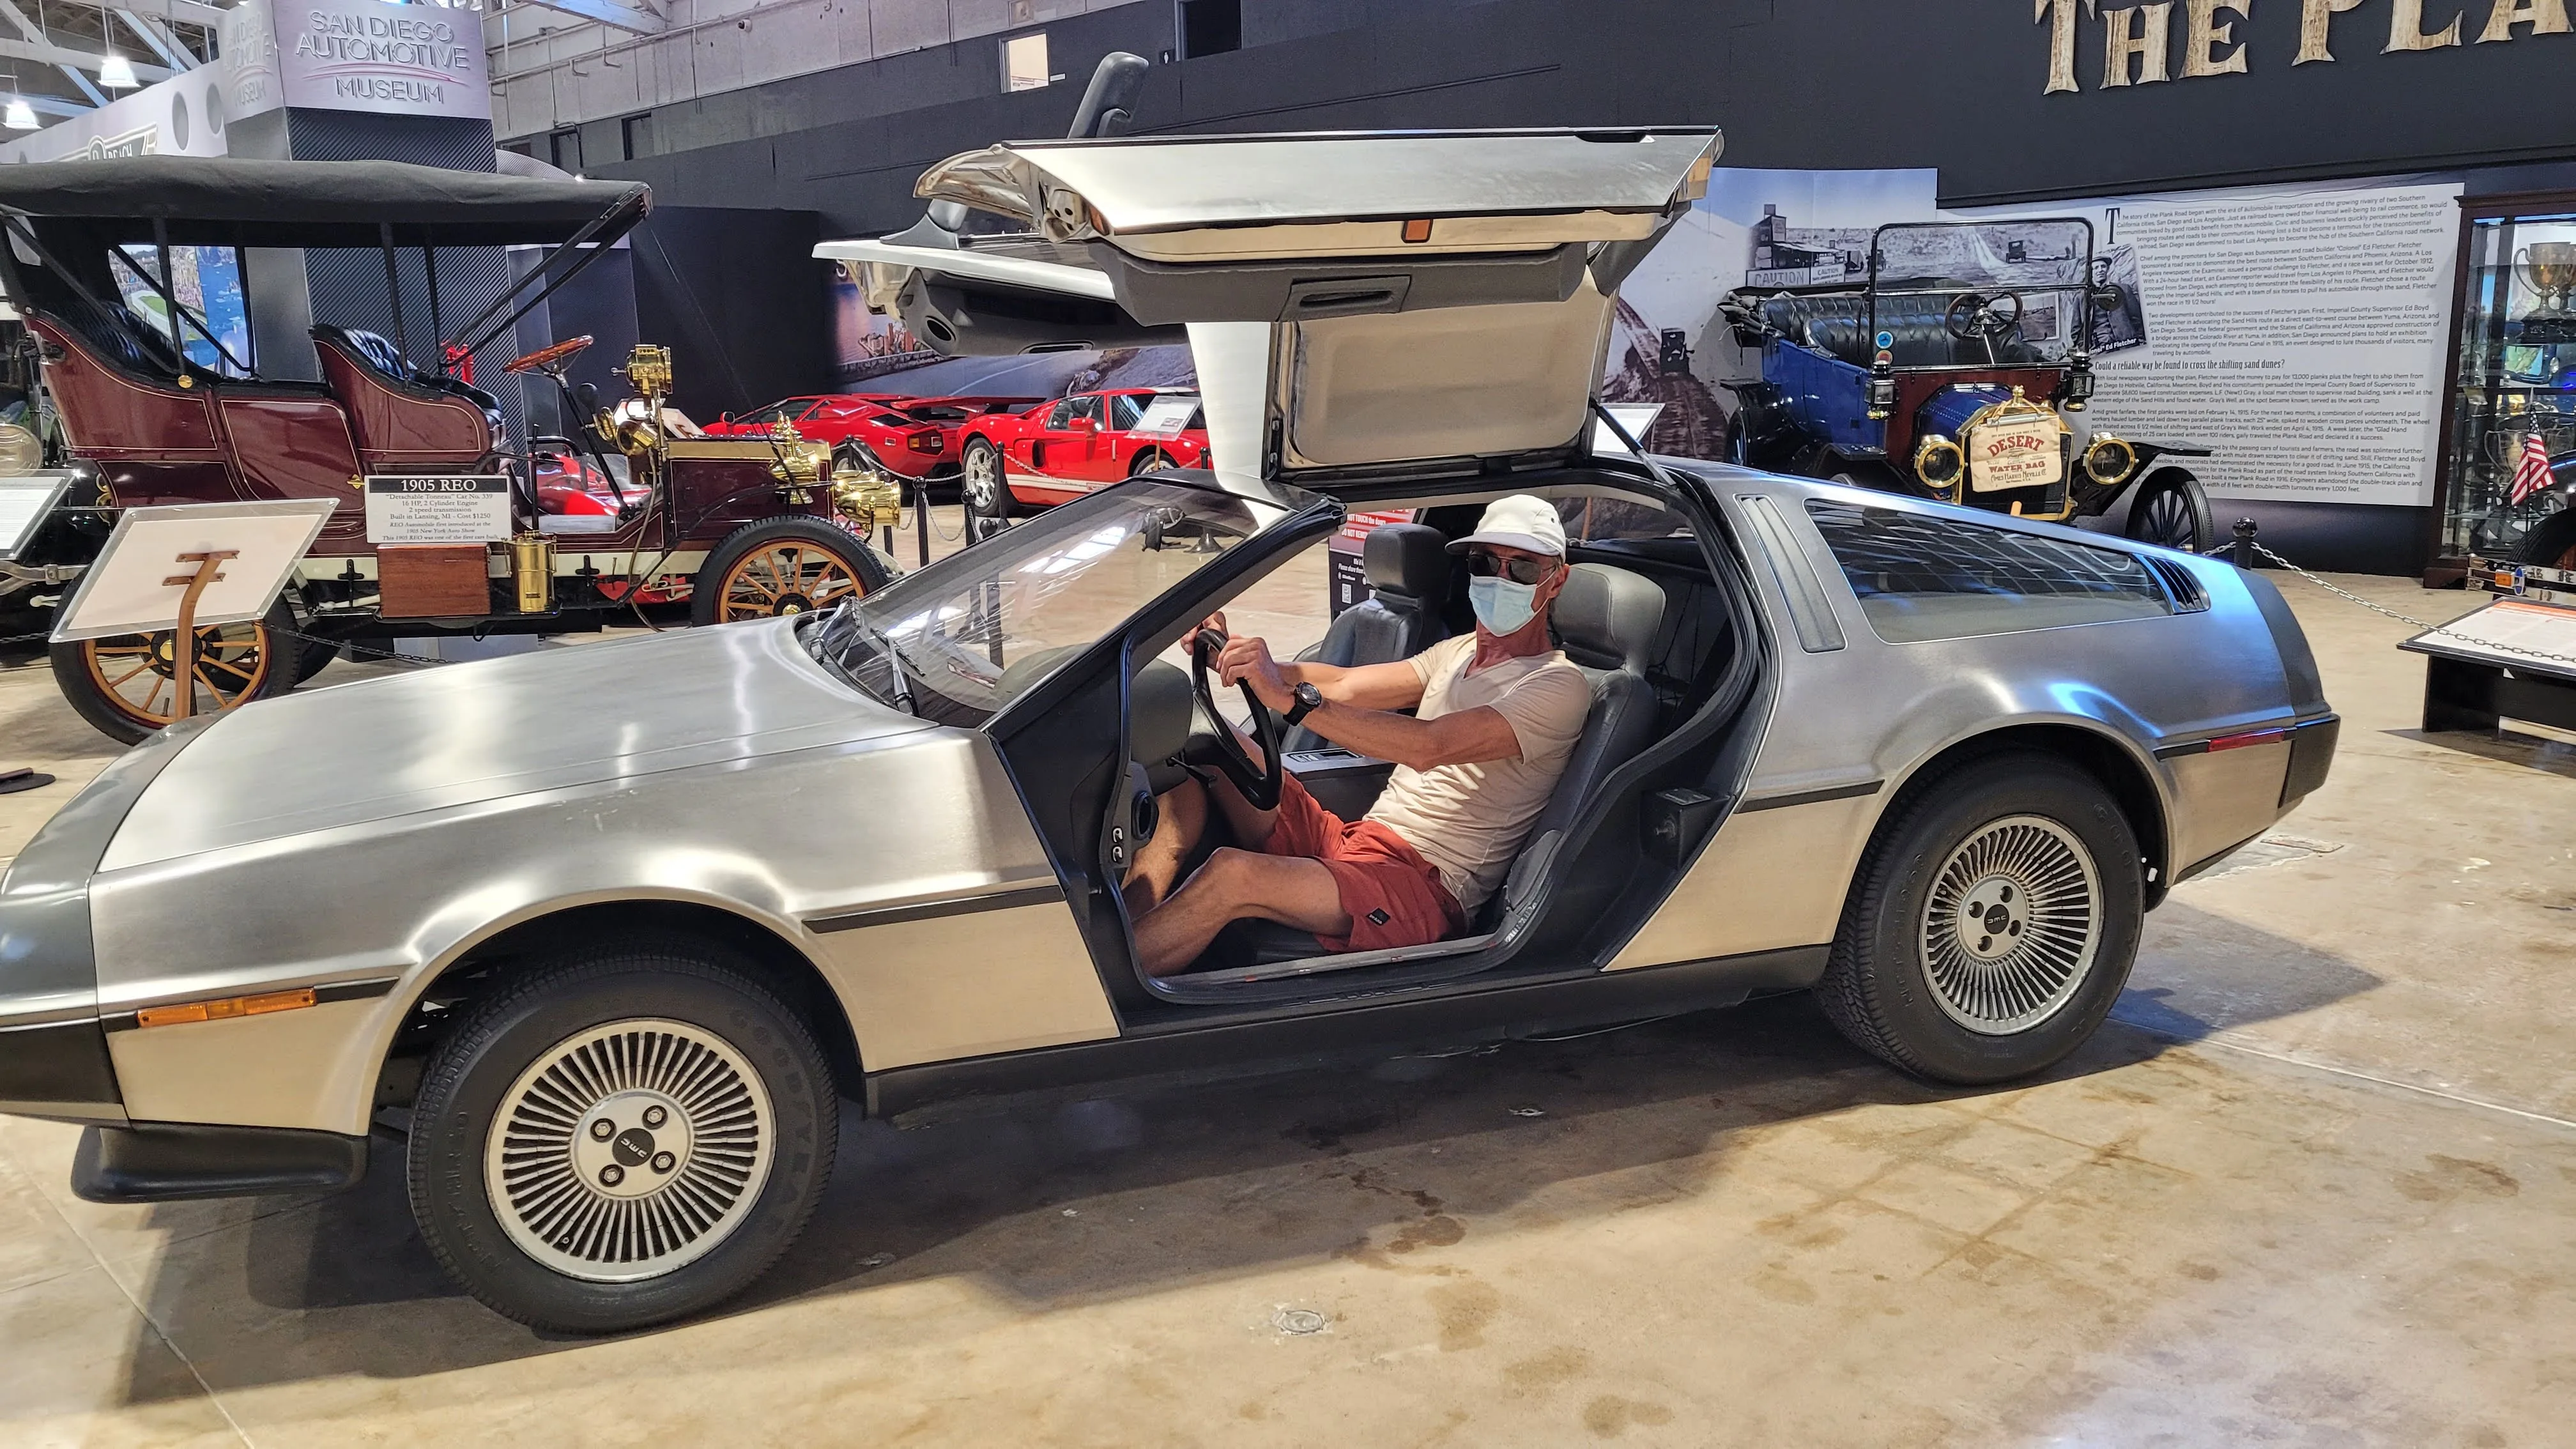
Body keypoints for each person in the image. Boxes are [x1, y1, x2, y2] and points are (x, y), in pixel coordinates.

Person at [1126, 495, 1597, 977]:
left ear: (1556, 579)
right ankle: (1135, 919)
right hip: (1357, 842)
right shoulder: (1459, 652)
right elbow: (1345, 684)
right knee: (1203, 749)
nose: (1498, 579)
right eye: (1484, 563)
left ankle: (1098, 994)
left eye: (1521, 569)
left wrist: (1289, 699)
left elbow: (1430, 746)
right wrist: (1244, 661)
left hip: (1422, 888)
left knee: (1229, 874)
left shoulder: (1558, 685)